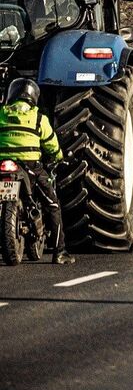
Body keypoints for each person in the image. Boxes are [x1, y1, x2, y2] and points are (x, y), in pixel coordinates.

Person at [0, 79, 72, 263]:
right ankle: (60, 252)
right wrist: (58, 157)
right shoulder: (39, 117)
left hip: (3, 163)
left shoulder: (1, 112)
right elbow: (51, 144)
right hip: (30, 166)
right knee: (53, 205)